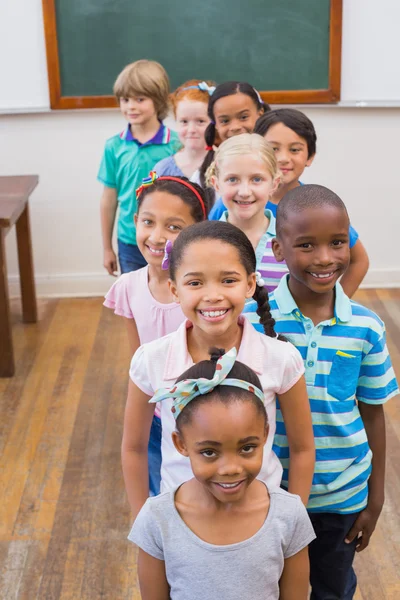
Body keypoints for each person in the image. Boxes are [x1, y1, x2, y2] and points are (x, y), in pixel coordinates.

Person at [244, 184, 399, 600]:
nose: (325, 258)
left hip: (341, 495)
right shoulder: (250, 322)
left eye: (337, 243)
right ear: (278, 249)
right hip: (267, 492)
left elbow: (372, 412)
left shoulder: (365, 327)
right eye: (307, 245)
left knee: (332, 588)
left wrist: (376, 496)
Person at [122, 220, 315, 520]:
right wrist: (142, 521)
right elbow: (134, 448)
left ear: (250, 284)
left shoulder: (281, 358)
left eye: (228, 280)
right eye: (195, 283)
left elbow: (302, 448)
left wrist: (294, 520)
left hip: (261, 520)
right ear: (174, 289)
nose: (212, 295)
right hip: (180, 521)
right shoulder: (151, 359)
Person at [129, 348, 316, 600]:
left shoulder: (289, 515)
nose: (230, 468)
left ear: (265, 434)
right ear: (181, 444)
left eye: (247, 448)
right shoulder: (157, 520)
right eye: (209, 452)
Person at [104, 174, 208, 495]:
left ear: (197, 230)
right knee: (159, 490)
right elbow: (138, 361)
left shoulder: (203, 290)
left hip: (203, 411)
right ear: (135, 221)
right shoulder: (128, 286)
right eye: (148, 222)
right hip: (156, 414)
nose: (157, 236)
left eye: (174, 227)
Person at [210, 109, 369, 296]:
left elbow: (359, 259)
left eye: (294, 149)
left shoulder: (314, 207)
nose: (283, 158)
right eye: (273, 149)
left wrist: (336, 307)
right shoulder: (228, 205)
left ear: (310, 156)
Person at [98, 60, 180, 276]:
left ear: (159, 101)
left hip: (170, 240)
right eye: (125, 100)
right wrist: (107, 248)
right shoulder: (114, 146)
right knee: (134, 302)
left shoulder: (177, 145)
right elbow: (108, 199)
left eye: (139, 99)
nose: (130, 106)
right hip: (129, 241)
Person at [206, 132, 288, 293]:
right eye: (232, 179)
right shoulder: (203, 242)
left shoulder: (290, 239)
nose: (244, 192)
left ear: (274, 184)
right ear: (216, 184)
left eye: (256, 179)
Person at [198, 81, 270, 206]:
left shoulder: (276, 162)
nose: (235, 127)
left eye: (243, 117)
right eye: (225, 121)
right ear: (215, 124)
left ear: (260, 113)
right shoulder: (202, 175)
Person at [153, 80, 215, 182]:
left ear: (213, 122)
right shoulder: (162, 169)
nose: (191, 130)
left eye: (200, 121)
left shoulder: (223, 164)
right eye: (184, 121)